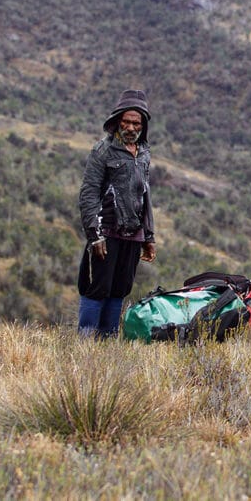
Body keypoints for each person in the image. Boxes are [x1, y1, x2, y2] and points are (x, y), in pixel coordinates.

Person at [77, 89, 157, 338]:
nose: (131, 127)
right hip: (107, 231)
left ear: (143, 125)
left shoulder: (143, 153)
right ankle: (86, 344)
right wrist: (95, 235)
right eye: (126, 121)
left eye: (136, 123)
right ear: (117, 121)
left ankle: (107, 342)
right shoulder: (102, 151)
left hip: (133, 235)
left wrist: (149, 236)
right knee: (97, 287)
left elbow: (145, 195)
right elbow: (88, 194)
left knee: (120, 288)